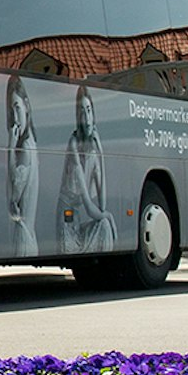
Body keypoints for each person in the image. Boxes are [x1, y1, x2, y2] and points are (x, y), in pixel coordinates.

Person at [58, 86, 117, 253]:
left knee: (104, 224)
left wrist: (101, 154)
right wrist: (110, 217)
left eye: (89, 110)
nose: (87, 118)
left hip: (77, 221)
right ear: (78, 117)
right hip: (67, 224)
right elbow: (90, 208)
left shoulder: (92, 149)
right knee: (105, 222)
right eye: (82, 112)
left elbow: (102, 204)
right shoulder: (74, 143)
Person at [5, 75, 39, 256]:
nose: (15, 118)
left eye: (17, 107)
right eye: (12, 110)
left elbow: (14, 195)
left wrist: (10, 147)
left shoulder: (25, 147)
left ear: (26, 105)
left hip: (23, 239)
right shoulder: (30, 143)